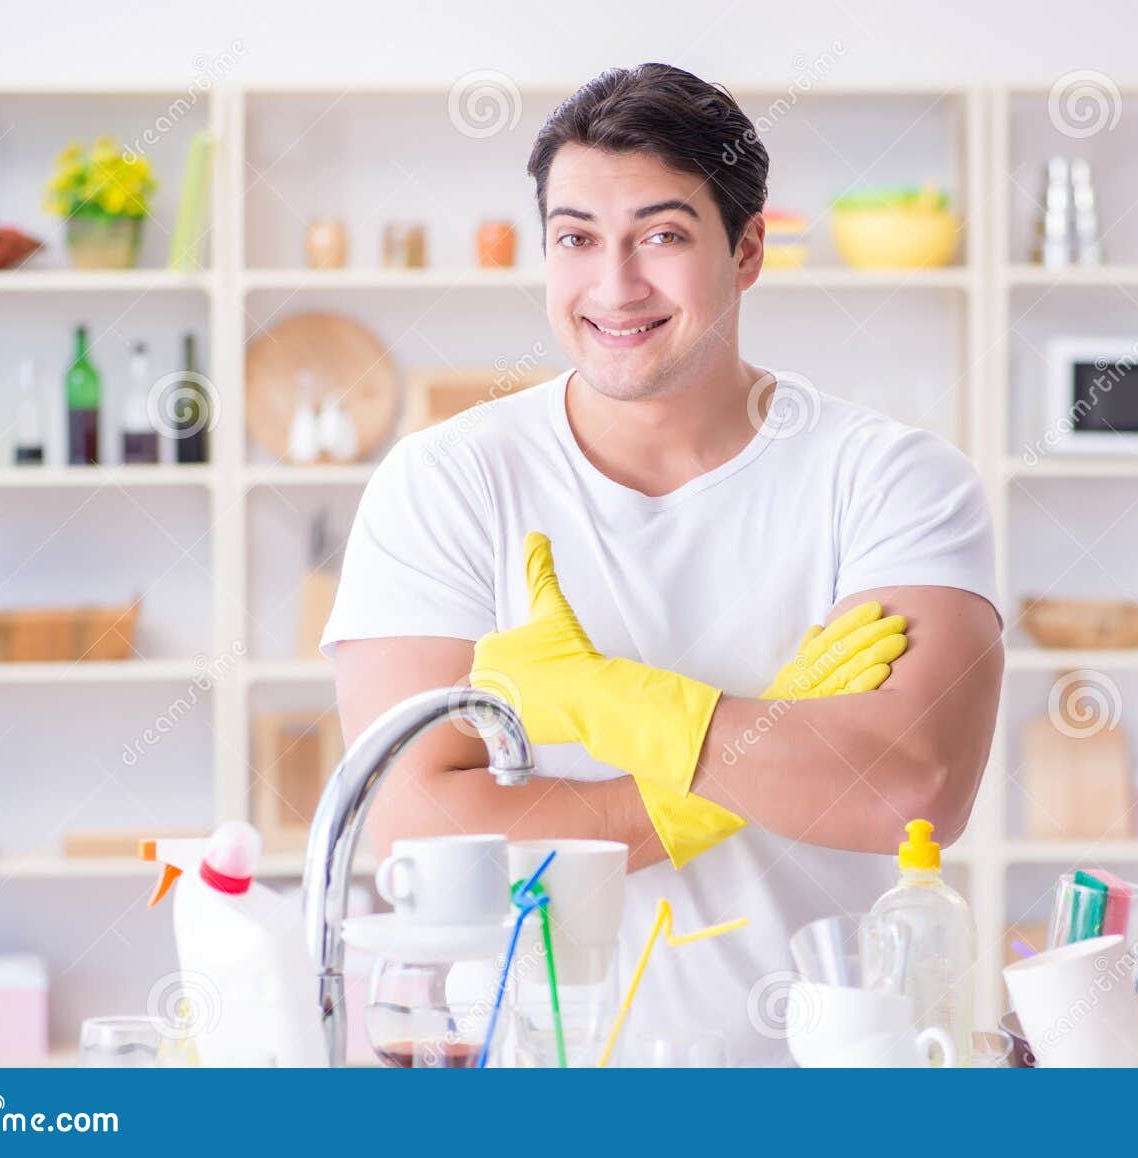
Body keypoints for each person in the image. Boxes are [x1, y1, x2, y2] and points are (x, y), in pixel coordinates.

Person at [323, 62, 1003, 1065]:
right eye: (576, 239)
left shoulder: (890, 481)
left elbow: (909, 792)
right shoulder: (448, 483)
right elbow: (418, 833)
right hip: (533, 1074)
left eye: (663, 235)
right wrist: (735, 767)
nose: (615, 286)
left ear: (748, 249)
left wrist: (606, 699)